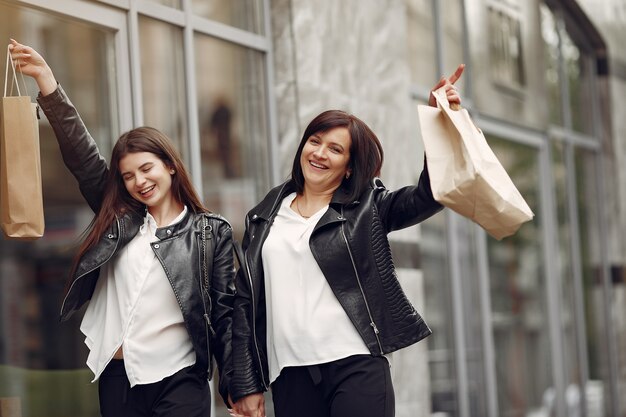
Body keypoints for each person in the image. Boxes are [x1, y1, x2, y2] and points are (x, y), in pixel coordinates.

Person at [8, 39, 235, 417]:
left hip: (179, 378)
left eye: (147, 169)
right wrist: (47, 83)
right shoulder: (120, 219)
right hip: (118, 377)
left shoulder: (209, 233)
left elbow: (226, 315)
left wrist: (238, 387)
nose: (139, 181)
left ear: (170, 166)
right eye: (128, 175)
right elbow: (82, 157)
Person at [229, 65, 465, 417]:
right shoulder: (263, 218)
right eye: (314, 141)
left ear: (349, 167)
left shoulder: (368, 208)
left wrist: (437, 123)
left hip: (354, 367)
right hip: (290, 375)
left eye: (335, 149)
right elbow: (244, 304)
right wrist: (244, 383)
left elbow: (428, 196)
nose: (320, 153)